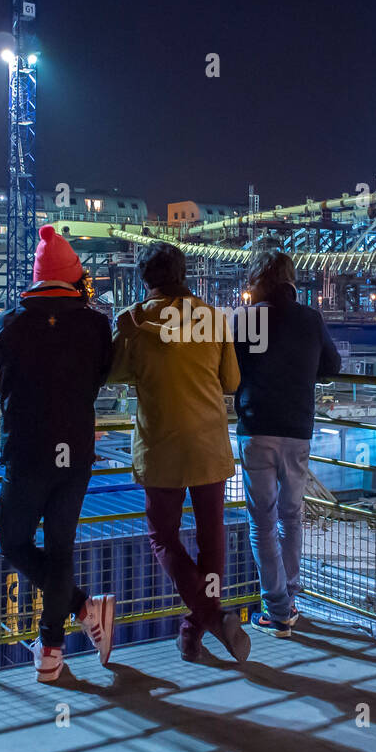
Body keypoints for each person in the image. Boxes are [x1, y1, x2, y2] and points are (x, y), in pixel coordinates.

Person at [109, 242, 249, 662]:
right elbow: (231, 383)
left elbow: (112, 374)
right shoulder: (212, 318)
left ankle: (204, 617)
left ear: (143, 279)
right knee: (212, 539)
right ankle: (195, 630)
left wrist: (122, 332)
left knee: (163, 536)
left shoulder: (137, 321)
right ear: (184, 274)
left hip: (161, 447)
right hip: (209, 445)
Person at [0, 225, 116, 682]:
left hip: (24, 452)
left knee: (14, 542)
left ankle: (84, 608)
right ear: (74, 277)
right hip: (76, 451)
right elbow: (101, 375)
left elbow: (0, 382)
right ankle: (52, 651)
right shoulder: (97, 324)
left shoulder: (6, 323)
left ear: (37, 277)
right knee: (60, 548)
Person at [232, 250, 341, 637]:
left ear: (258, 281)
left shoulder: (246, 320)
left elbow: (228, 371)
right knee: (290, 516)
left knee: (262, 520)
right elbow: (332, 366)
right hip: (297, 429)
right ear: (290, 280)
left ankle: (276, 607)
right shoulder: (310, 319)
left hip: (256, 426)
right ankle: (289, 601)